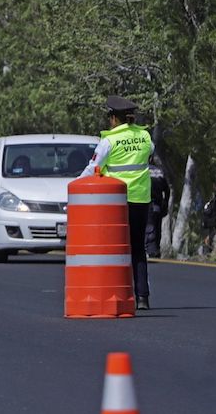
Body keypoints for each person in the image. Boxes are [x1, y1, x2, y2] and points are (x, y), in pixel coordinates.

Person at [77, 96, 155, 310]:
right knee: (139, 248)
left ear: (113, 118)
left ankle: (119, 293)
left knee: (117, 248)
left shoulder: (109, 141)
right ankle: (142, 297)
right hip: (141, 198)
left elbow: (93, 168)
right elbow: (150, 154)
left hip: (117, 202)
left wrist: (73, 187)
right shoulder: (145, 136)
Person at [145, 164, 170, 258]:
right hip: (158, 204)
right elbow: (167, 189)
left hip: (147, 202)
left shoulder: (142, 169)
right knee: (157, 226)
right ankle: (156, 249)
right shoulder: (159, 171)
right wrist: (165, 202)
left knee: (150, 226)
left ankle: (151, 250)